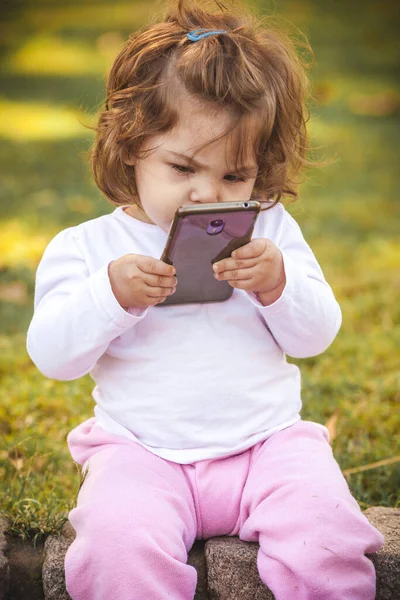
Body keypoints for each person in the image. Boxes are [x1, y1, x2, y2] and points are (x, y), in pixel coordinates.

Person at [27, 1, 384, 598]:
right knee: (116, 545)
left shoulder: (268, 229)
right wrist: (108, 295)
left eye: (235, 176)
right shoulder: (89, 248)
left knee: (328, 535)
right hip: (142, 454)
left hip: (267, 446)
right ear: (133, 144)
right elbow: (52, 355)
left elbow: (316, 335)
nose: (207, 193)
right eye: (184, 167)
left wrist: (278, 285)